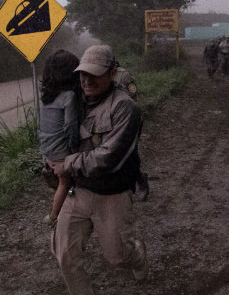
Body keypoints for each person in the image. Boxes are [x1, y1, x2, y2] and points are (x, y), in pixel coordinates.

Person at [49, 45, 148, 294]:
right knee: (65, 255)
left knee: (117, 257)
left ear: (112, 73)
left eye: (95, 74)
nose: (87, 80)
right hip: (78, 190)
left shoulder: (125, 108)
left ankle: (137, 254)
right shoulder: (74, 102)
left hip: (112, 194)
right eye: (83, 73)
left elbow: (108, 158)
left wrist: (67, 164)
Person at [38, 50, 81, 227]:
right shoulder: (69, 97)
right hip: (60, 151)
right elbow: (70, 126)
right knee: (65, 181)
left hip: (47, 149)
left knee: (63, 181)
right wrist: (74, 151)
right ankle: (54, 216)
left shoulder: (47, 97)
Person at [114, 61, 149, 201]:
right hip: (109, 121)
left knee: (129, 153)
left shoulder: (123, 75)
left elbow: (132, 93)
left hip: (128, 118)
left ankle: (140, 180)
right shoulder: (96, 74)